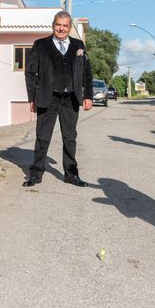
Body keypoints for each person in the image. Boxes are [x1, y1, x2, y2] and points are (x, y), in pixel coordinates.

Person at [23, 11, 93, 187]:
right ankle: (35, 174)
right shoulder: (40, 45)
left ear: (70, 28)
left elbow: (87, 72)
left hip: (70, 98)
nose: (61, 28)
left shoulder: (78, 45)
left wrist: (88, 96)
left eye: (65, 26)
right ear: (53, 25)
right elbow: (31, 73)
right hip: (48, 98)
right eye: (58, 25)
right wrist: (32, 97)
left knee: (70, 138)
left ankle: (71, 174)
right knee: (42, 137)